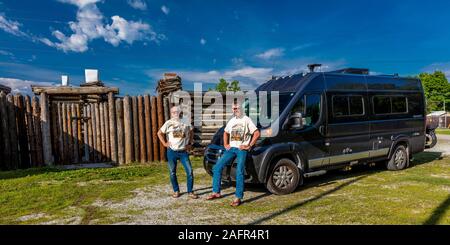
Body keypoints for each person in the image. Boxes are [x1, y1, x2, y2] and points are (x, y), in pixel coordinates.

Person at [206, 102, 260, 206]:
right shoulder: (232, 120)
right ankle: (216, 192)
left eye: (237, 108)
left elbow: (257, 133)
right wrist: (226, 144)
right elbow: (226, 132)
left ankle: (238, 197)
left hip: (241, 149)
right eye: (234, 108)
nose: (235, 110)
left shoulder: (247, 119)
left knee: (239, 171)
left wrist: (249, 145)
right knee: (217, 167)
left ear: (241, 109)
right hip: (231, 149)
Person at [158, 106, 198, 199]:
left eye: (177, 112)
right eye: (173, 112)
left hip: (183, 152)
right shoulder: (168, 123)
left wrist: (190, 143)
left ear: (180, 112)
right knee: (172, 172)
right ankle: (176, 191)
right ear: (171, 113)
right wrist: (164, 143)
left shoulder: (186, 121)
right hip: (172, 152)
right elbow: (159, 133)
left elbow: (191, 131)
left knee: (190, 172)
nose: (175, 114)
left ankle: (190, 192)